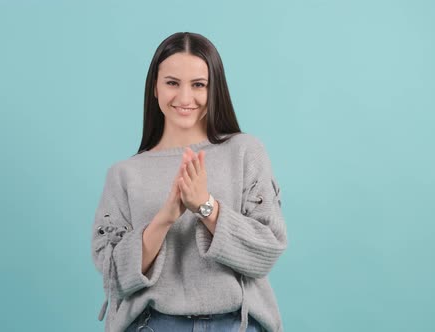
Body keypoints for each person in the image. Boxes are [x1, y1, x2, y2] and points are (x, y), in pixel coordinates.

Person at [91, 32, 288, 332]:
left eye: (198, 85)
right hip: (152, 325)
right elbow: (114, 278)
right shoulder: (124, 174)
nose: (185, 98)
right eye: (172, 83)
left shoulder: (246, 152)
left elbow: (266, 251)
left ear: (214, 89)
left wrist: (205, 206)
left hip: (236, 324)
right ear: (154, 88)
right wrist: (165, 217)